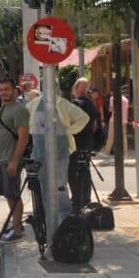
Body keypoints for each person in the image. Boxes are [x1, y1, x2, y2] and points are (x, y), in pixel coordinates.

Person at [26, 89, 89, 220]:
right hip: (39, 153)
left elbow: (84, 118)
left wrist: (68, 131)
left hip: (60, 153)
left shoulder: (62, 104)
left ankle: (64, 216)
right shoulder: (34, 104)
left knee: (60, 186)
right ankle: (42, 214)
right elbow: (23, 120)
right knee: (40, 185)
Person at [0, 78, 30, 243]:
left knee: (13, 195)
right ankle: (15, 224)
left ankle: (17, 231)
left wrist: (14, 161)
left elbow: (23, 137)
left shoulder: (19, 110)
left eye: (6, 89)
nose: (3, 92)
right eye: (1, 90)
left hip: (10, 160)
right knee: (8, 195)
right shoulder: (4, 108)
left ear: (15, 91)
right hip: (2, 159)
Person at [69, 78, 100, 211]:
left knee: (72, 172)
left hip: (76, 143)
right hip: (88, 142)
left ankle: (77, 200)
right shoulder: (91, 104)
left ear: (76, 88)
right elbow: (95, 124)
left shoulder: (75, 104)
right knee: (85, 170)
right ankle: (85, 199)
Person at [103, 89, 130, 156]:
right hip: (124, 120)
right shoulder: (126, 100)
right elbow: (127, 111)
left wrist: (109, 109)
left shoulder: (112, 98)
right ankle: (125, 154)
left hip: (114, 120)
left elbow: (111, 109)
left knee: (110, 137)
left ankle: (107, 152)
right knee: (124, 137)